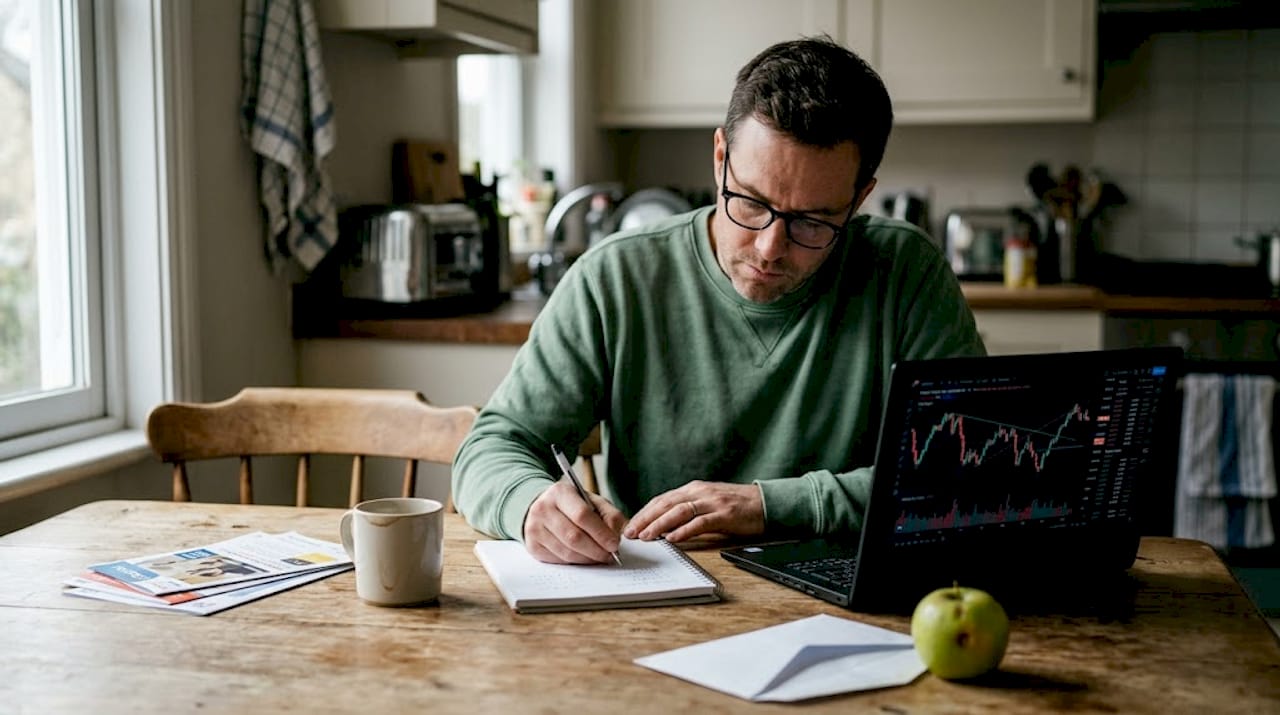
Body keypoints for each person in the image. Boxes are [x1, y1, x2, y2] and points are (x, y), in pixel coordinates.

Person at [452, 35, 985, 564]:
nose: (769, 248)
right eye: (751, 203)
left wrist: (769, 505)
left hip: (852, 598)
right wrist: (529, 506)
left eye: (813, 221)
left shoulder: (905, 272)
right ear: (720, 158)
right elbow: (492, 448)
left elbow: (968, 467)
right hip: (662, 602)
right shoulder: (615, 278)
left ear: (860, 197)